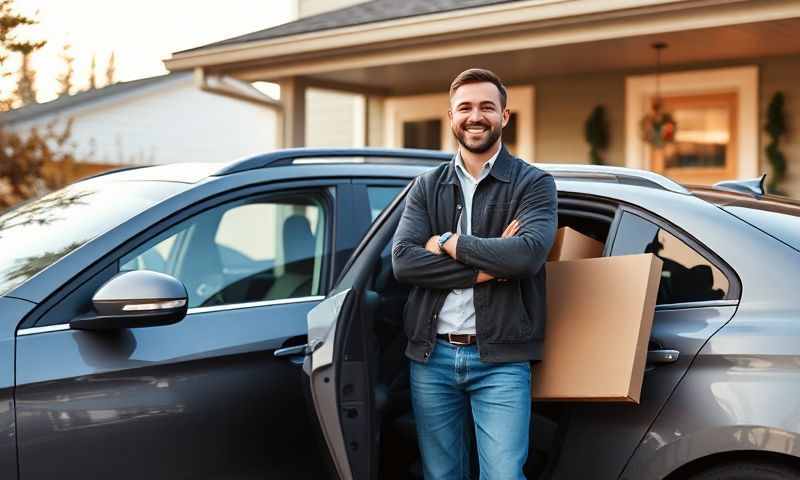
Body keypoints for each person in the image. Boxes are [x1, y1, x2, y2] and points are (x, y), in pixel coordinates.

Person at [391, 68, 557, 479]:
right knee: (441, 475)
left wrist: (449, 241)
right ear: (451, 117)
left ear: (505, 116)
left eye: (487, 106)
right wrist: (486, 270)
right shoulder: (426, 186)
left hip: (500, 359)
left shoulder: (533, 183)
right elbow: (404, 261)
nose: (475, 116)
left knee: (502, 475)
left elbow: (526, 257)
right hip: (432, 356)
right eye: (465, 107)